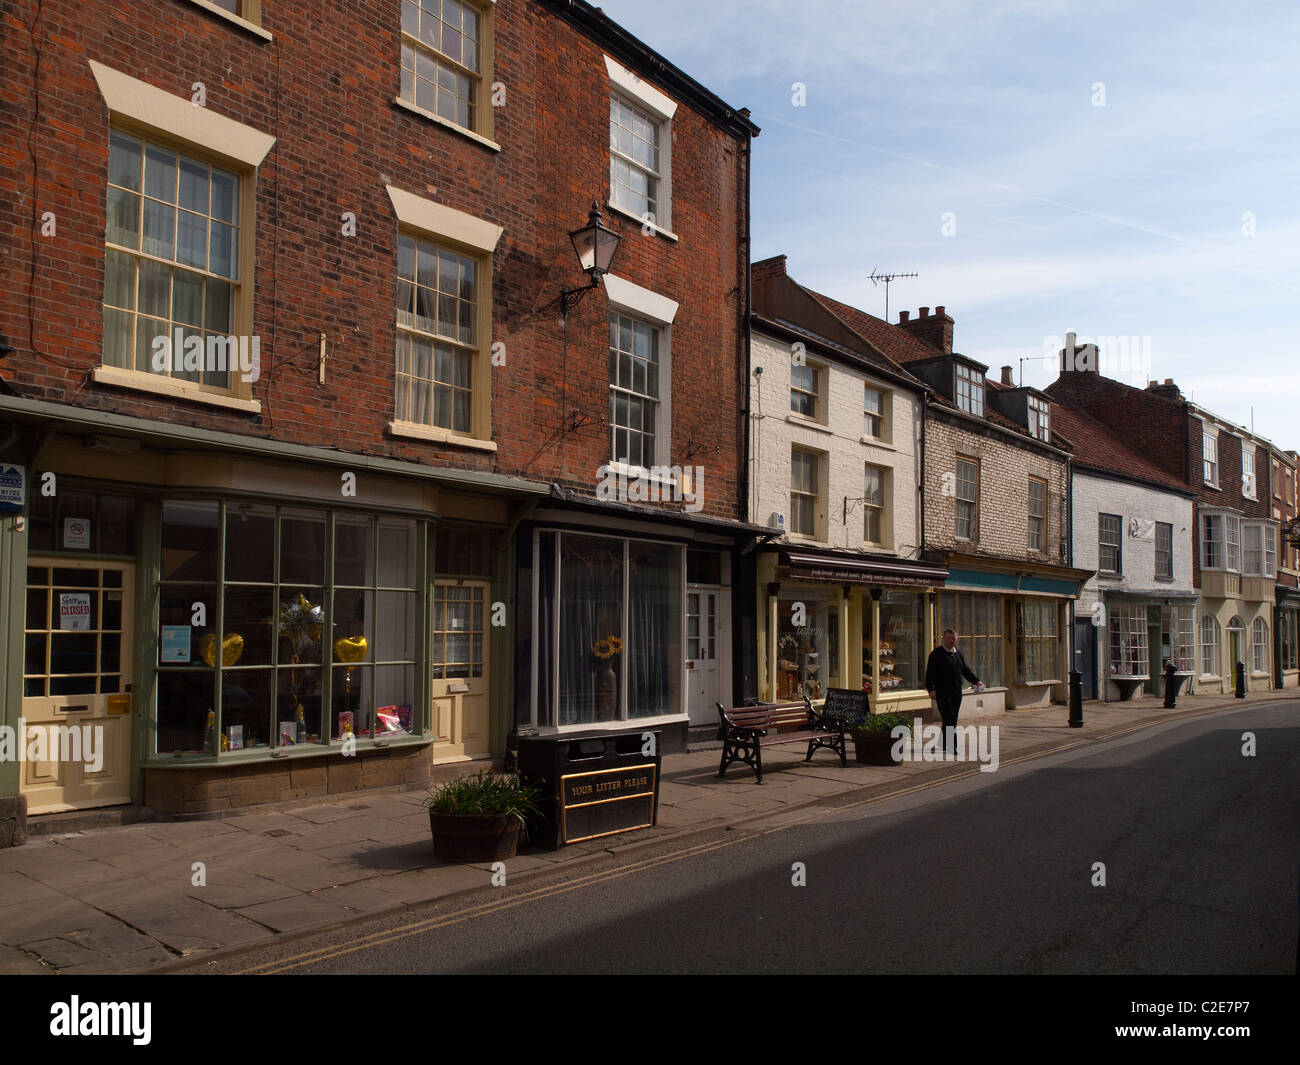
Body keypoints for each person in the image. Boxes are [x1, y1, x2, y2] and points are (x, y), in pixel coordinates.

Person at [925, 629, 984, 755]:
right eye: (949, 638)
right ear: (943, 639)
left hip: (956, 692)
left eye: (953, 639)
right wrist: (931, 689)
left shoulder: (958, 654)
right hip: (942, 692)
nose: (951, 641)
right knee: (949, 718)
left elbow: (966, 671)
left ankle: (941, 744)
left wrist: (977, 681)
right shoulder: (936, 654)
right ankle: (953, 746)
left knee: (952, 719)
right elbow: (929, 674)